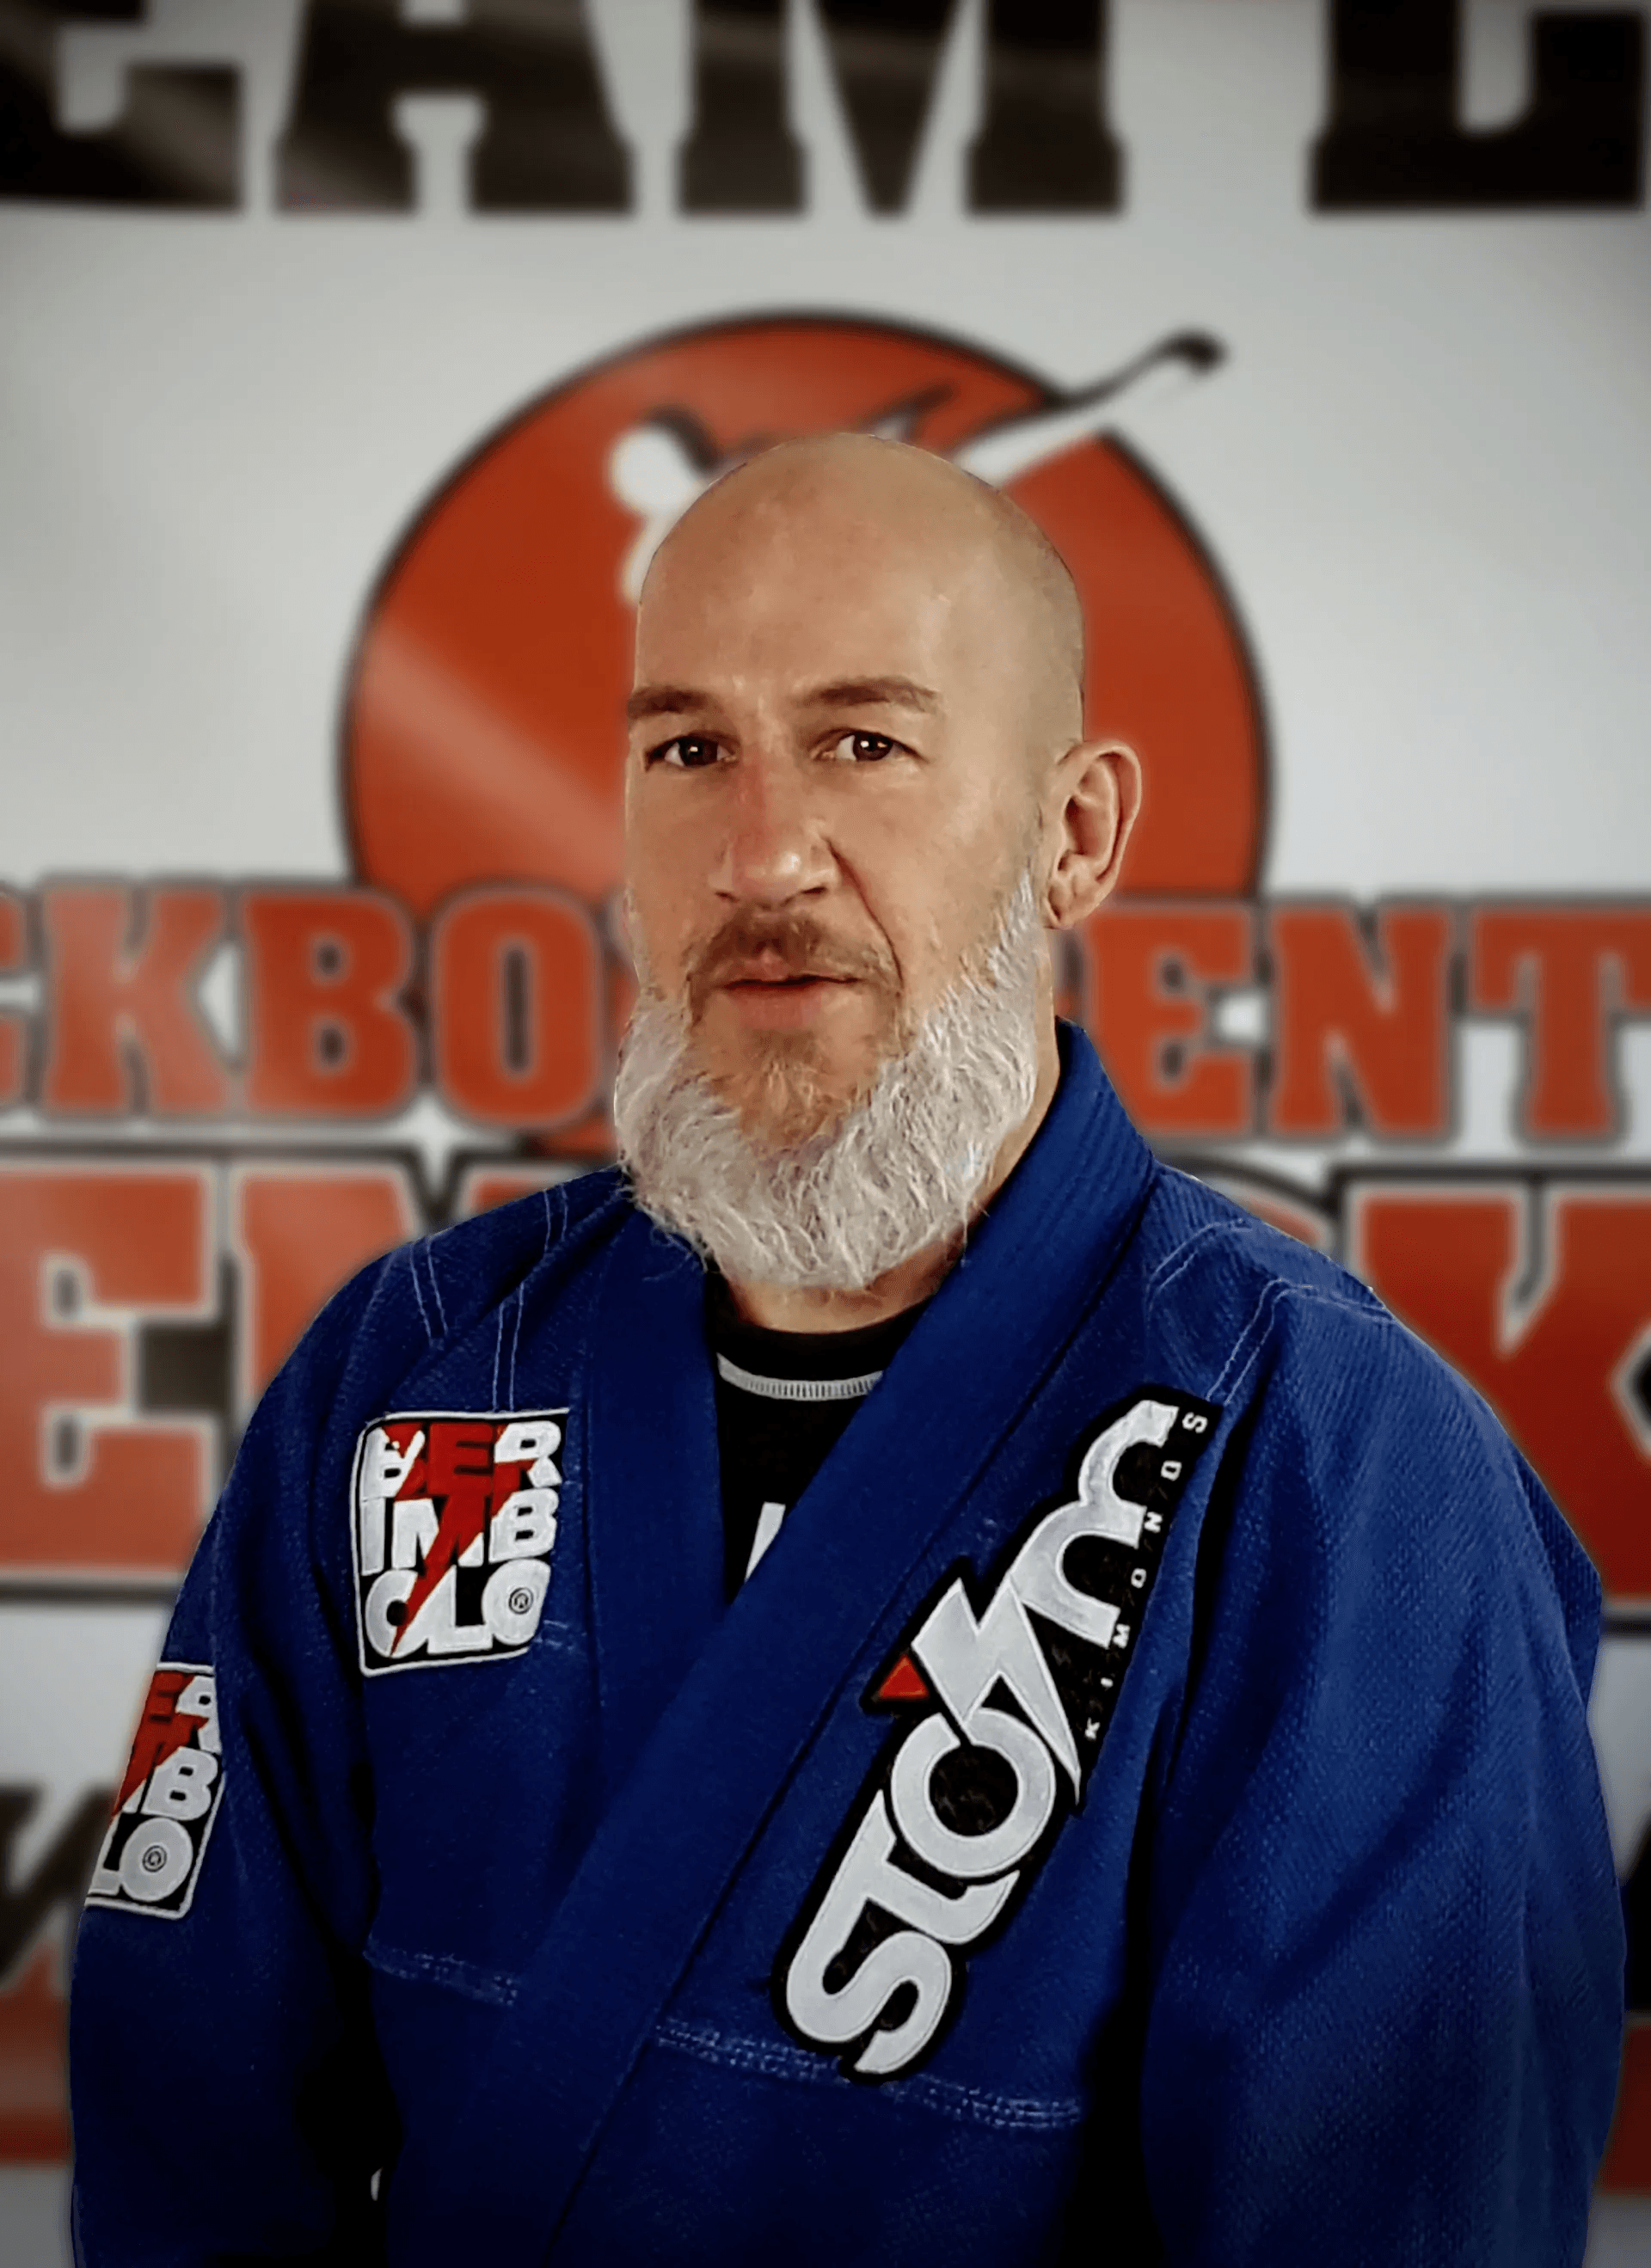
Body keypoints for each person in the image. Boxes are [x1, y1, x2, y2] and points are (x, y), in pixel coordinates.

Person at [69, 437, 1623, 2266]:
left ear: (1075, 833)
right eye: (688, 750)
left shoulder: (1336, 1461)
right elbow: (191, 2132)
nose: (761, 855)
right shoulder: (415, 1370)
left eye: (863, 742)